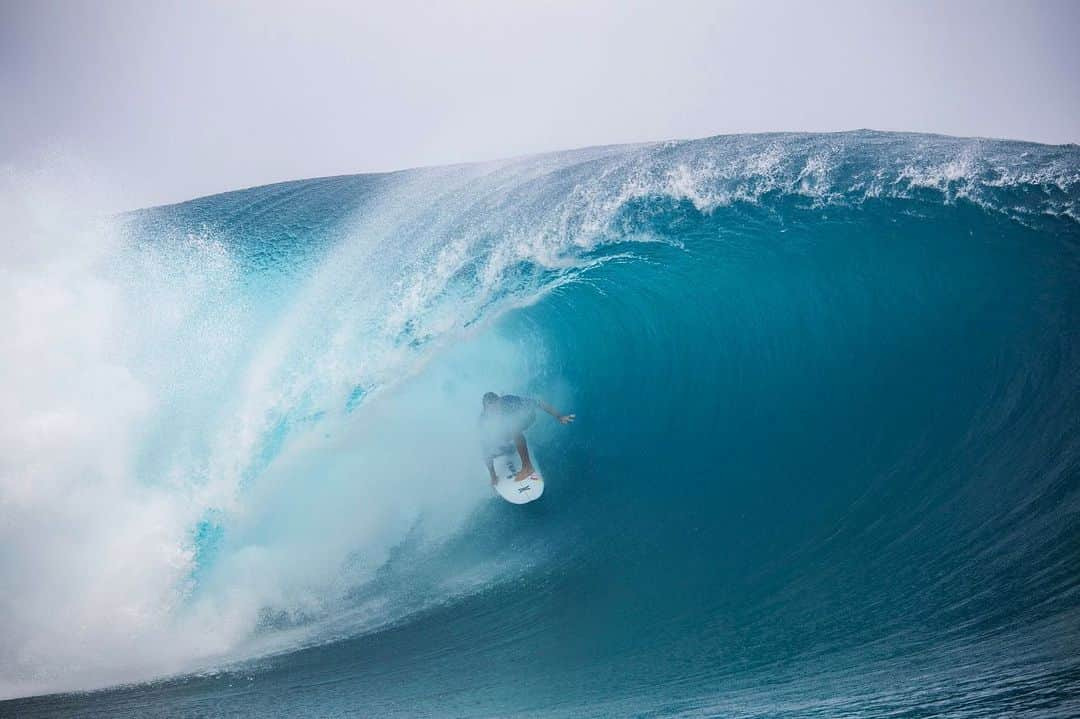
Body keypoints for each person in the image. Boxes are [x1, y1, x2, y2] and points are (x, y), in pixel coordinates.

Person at [480, 392, 574, 484]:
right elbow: (485, 448)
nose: (495, 411)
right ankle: (510, 448)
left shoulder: (509, 402)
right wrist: (493, 476)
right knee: (492, 441)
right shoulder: (484, 420)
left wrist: (559, 416)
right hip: (507, 424)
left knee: (513, 427)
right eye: (492, 410)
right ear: (486, 410)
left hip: (528, 416)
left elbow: (539, 403)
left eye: (497, 408)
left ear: (500, 401)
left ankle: (527, 467)